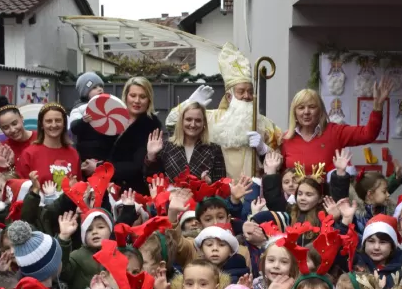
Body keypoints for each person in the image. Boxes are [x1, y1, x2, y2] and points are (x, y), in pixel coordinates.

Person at [165, 42, 279, 180]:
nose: (247, 96)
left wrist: (263, 149)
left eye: (250, 91)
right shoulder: (212, 119)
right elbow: (171, 122)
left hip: (253, 194)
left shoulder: (265, 124)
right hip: (220, 192)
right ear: (229, 97)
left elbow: (280, 163)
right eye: (241, 91)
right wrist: (189, 103)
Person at [279, 82, 391, 177]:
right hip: (294, 202)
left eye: (312, 107)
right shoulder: (285, 139)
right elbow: (280, 174)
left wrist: (377, 108)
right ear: (294, 112)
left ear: (320, 111)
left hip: (329, 201)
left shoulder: (335, 132)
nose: (306, 112)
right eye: (301, 107)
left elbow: (368, 134)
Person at [73, 76, 163, 193]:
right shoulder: (110, 114)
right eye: (133, 95)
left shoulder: (151, 126)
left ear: (149, 100)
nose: (137, 101)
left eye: (142, 97)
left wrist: (100, 167)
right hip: (102, 186)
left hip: (131, 191)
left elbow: (137, 166)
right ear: (126, 96)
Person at [156, 101, 227, 182]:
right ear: (181, 121)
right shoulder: (166, 147)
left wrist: (209, 184)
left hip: (204, 195)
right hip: (171, 195)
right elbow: (152, 181)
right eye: (188, 119)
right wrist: (151, 157)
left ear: (204, 123)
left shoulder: (214, 149)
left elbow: (221, 186)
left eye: (198, 120)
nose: (193, 124)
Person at [15, 103, 80, 185]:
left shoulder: (73, 153)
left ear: (64, 124)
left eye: (58, 120)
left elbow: (79, 186)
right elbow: (20, 190)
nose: (54, 125)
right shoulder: (29, 154)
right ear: (41, 124)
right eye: (49, 121)